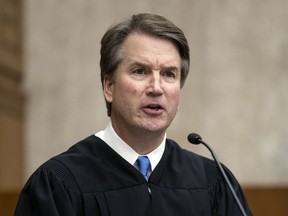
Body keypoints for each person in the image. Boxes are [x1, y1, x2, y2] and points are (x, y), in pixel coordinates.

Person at [15, 13, 252, 215]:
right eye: (140, 71)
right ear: (109, 86)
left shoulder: (213, 182)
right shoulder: (59, 183)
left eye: (169, 74)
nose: (156, 88)